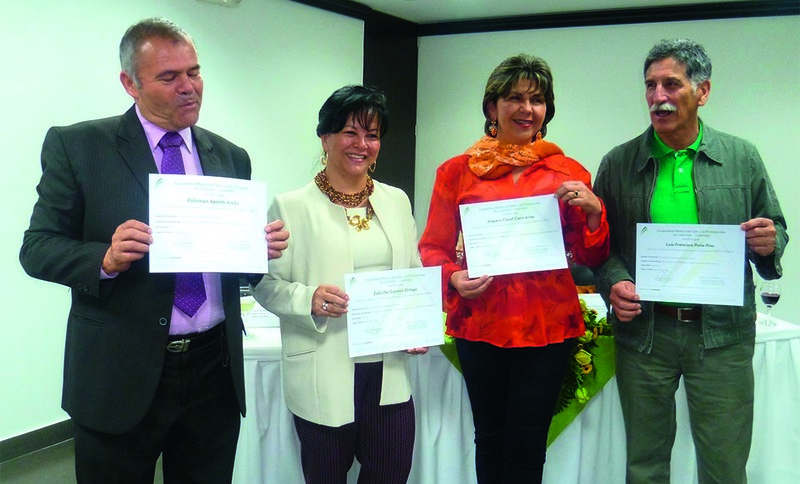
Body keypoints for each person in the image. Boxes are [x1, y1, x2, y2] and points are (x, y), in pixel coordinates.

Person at [19, 17, 289, 483]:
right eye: (169, 77)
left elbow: (233, 270)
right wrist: (103, 259)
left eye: (194, 72)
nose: (189, 87)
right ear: (130, 83)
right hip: (119, 369)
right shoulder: (79, 146)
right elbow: (37, 248)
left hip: (213, 370)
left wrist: (255, 251)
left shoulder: (230, 156)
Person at [592, 38, 788, 484]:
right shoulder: (618, 163)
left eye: (672, 84)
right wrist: (615, 282)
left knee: (724, 465)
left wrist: (768, 242)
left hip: (722, 335)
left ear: (703, 91)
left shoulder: (742, 157)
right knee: (644, 464)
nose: (658, 96)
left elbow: (775, 228)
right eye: (650, 85)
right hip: (645, 334)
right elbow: (601, 247)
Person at [418, 54, 610, 483]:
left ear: (547, 110)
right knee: (489, 438)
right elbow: (432, 248)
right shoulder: (457, 171)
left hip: (547, 326)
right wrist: (452, 276)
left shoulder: (568, 172)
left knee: (528, 444)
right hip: (481, 323)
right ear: (492, 107)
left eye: (537, 100)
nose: (527, 109)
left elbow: (590, 256)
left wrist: (594, 213)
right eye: (515, 98)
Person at [252, 85, 426, 484]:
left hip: (388, 368)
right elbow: (266, 284)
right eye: (351, 132)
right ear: (325, 137)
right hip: (324, 366)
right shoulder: (291, 205)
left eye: (372, 135)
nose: (362, 144)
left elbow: (412, 275)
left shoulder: (396, 201)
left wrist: (416, 324)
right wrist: (308, 298)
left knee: (391, 473)